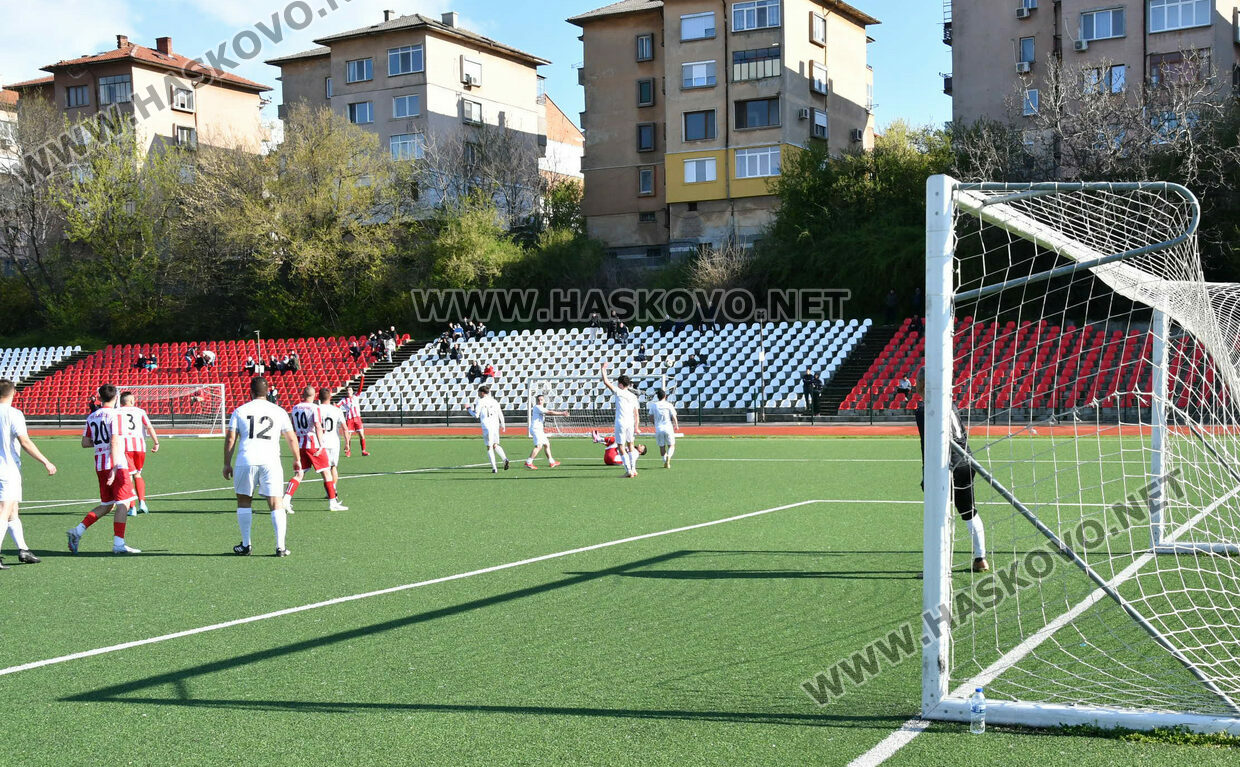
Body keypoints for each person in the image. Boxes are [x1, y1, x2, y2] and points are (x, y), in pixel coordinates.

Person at [914, 369, 989, 572]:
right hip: (966, 461)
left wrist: (927, 474)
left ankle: (938, 567)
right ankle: (980, 557)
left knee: (938, 515)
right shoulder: (951, 404)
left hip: (945, 466)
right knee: (969, 512)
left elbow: (930, 445)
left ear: (922, 384)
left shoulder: (924, 409)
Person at [223, 376, 300, 557]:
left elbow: (231, 438)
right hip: (271, 461)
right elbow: (291, 437)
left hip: (246, 460)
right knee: (276, 503)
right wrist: (297, 459)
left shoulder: (240, 411)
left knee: (244, 501)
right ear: (267, 392)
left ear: (250, 391)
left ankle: (246, 544)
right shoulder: (279, 411)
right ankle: (280, 547)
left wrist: (227, 463)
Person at [68, 384, 140, 555]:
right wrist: (115, 467)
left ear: (99, 398)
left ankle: (77, 531)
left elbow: (85, 442)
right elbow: (114, 441)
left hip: (100, 465)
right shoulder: (116, 415)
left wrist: (101, 442)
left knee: (107, 505)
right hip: (116, 464)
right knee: (123, 503)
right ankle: (118, 544)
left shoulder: (92, 417)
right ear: (116, 397)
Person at [0, 379, 56, 569]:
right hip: (7, 469)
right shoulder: (13, 413)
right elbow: (25, 442)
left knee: (12, 510)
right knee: (4, 510)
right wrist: (46, 461)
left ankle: (23, 550)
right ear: (13, 393)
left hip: (6, 469)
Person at [283, 386, 347, 513]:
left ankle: (286, 499)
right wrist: (321, 443)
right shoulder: (314, 408)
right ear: (313, 396)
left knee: (299, 474)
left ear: (303, 395)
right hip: (313, 443)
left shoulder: (295, 408)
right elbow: (317, 425)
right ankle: (333, 503)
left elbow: (293, 425)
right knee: (327, 472)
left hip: (301, 443)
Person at [118, 391, 160, 516]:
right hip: (140, 447)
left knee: (128, 476)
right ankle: (142, 503)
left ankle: (132, 508)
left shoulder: (117, 412)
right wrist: (156, 442)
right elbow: (149, 427)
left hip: (125, 447)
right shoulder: (140, 411)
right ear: (131, 401)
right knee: (137, 474)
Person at [600, 362, 641, 478]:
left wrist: (603, 369)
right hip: (630, 423)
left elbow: (606, 382)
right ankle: (633, 469)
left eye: (618, 383)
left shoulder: (619, 392)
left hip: (621, 422)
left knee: (621, 446)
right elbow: (636, 413)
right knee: (631, 445)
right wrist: (637, 427)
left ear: (621, 384)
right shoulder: (633, 396)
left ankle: (628, 471)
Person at [465, 385, 509, 473]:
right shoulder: (494, 401)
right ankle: (505, 459)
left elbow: (476, 415)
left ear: (482, 393)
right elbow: (500, 413)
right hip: (495, 425)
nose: (478, 394)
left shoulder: (480, 401)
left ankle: (494, 468)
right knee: (495, 444)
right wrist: (503, 424)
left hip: (487, 426)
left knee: (489, 447)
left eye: (478, 392)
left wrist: (469, 409)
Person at [316, 388, 346, 502]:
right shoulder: (337, 410)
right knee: (333, 467)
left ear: (319, 397)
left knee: (325, 469)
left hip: (321, 442)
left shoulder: (316, 409)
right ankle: (333, 490)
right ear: (330, 397)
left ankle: (331, 491)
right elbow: (345, 428)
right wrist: (347, 443)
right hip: (334, 442)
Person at [524, 394, 567, 470]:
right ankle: (529, 462)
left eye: (541, 400)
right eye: (538, 400)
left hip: (539, 430)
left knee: (547, 444)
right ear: (536, 401)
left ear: (544, 400)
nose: (540, 401)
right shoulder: (537, 407)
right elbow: (550, 412)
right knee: (539, 446)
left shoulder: (541, 408)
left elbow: (548, 412)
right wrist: (562, 413)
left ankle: (552, 462)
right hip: (536, 429)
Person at [647, 389, 680, 469]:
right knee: (671, 445)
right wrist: (676, 425)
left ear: (657, 397)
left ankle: (665, 461)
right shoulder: (669, 405)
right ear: (665, 396)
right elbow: (673, 416)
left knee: (662, 446)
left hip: (659, 428)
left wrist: (655, 423)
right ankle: (669, 457)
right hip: (668, 427)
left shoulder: (654, 405)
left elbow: (650, 417)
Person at [339, 385, 369, 457]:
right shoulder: (343, 400)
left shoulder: (356, 397)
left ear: (352, 391)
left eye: (350, 390)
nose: (348, 391)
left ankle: (363, 451)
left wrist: (362, 379)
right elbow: (337, 405)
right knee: (348, 436)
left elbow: (360, 389)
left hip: (357, 418)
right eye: (347, 390)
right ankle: (348, 451)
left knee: (361, 434)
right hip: (349, 419)